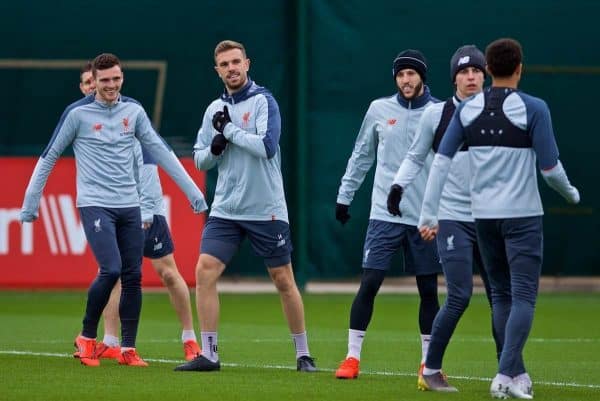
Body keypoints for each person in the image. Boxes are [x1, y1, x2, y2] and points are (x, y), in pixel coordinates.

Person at [20, 53, 207, 367]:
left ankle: (127, 349)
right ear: (94, 81)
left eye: (115, 79)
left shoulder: (132, 111)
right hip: (95, 205)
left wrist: (193, 194)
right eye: (104, 80)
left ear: (122, 78)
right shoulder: (76, 114)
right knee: (111, 269)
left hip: (130, 205)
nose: (110, 85)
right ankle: (87, 337)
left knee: (134, 277)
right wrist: (30, 204)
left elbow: (160, 150)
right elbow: (49, 156)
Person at [418, 38, 580, 399]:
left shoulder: (469, 110)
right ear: (520, 68)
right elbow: (551, 169)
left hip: (483, 218)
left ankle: (516, 374)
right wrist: (572, 194)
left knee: (502, 296)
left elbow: (440, 164)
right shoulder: (534, 108)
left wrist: (427, 214)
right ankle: (505, 374)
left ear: (488, 70)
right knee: (522, 296)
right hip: (522, 216)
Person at [174, 40, 316, 373]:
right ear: (217, 70)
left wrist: (230, 131)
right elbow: (200, 159)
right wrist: (217, 144)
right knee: (204, 270)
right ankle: (209, 354)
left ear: (247, 64)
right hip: (226, 208)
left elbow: (267, 147)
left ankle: (303, 353)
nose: (231, 68)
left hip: (266, 207)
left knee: (283, 279)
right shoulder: (214, 110)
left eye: (236, 62)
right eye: (224, 64)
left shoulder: (264, 101)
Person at [387, 45, 500, 392]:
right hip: (453, 219)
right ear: (454, 78)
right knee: (459, 296)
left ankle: (508, 371)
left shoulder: (500, 111)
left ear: (485, 75)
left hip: (493, 219)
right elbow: (416, 157)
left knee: (501, 296)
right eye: (464, 72)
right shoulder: (436, 116)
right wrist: (397, 187)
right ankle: (431, 369)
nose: (471, 77)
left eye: (477, 71)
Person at [334, 49, 441, 380]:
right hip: (384, 214)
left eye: (411, 73)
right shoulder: (379, 109)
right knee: (370, 283)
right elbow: (362, 154)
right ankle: (352, 358)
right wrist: (344, 195)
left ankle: (428, 362)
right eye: (400, 74)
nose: (405, 80)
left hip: (424, 217)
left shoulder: (440, 112)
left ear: (422, 76)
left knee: (428, 290)